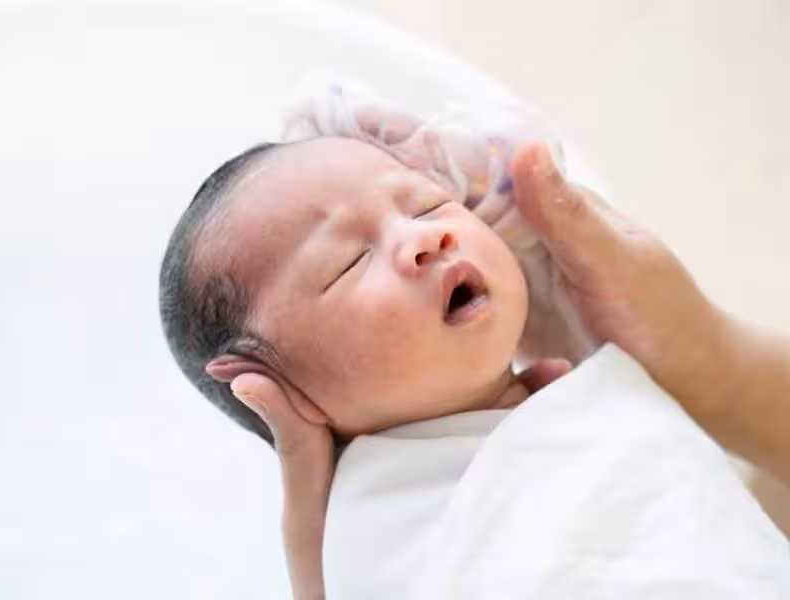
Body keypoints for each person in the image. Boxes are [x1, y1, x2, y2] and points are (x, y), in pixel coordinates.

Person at [233, 141, 790, 599]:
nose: (426, 237)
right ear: (283, 391)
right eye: (348, 262)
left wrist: (704, 355)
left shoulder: (576, 404)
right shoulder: (372, 526)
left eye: (427, 205)